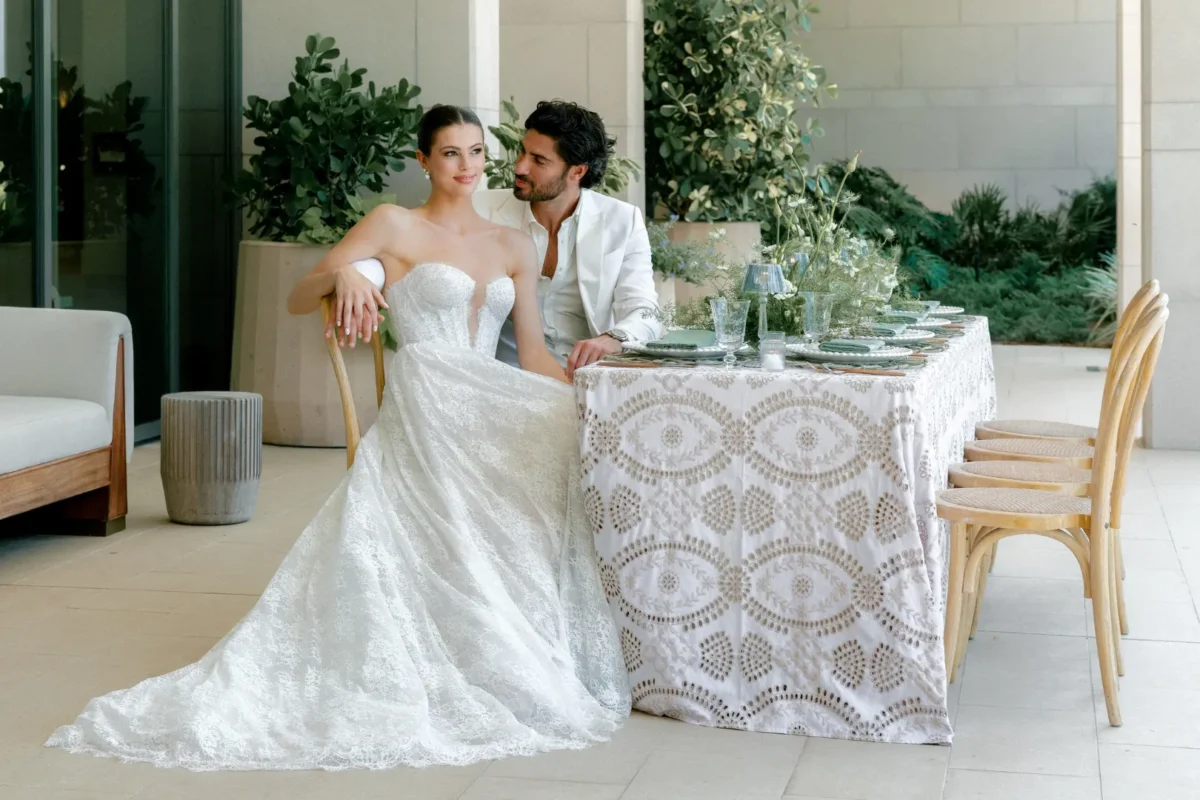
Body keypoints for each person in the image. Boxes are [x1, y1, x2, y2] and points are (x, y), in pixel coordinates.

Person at [44, 105, 631, 771]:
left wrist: (602, 394)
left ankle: (551, 626)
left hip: (486, 391)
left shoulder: (511, 244)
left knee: (564, 431)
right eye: (449, 154)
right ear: (423, 162)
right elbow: (300, 296)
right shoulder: (394, 224)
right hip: (428, 396)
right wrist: (346, 271)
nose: (466, 167)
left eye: (474, 153)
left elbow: (531, 356)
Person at [473, 100, 661, 378]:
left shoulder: (623, 221)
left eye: (539, 160)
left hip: (586, 381)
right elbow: (419, 240)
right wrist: (380, 276)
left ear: (577, 171)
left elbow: (646, 311)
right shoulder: (480, 210)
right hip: (501, 379)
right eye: (522, 152)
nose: (520, 167)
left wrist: (614, 338)